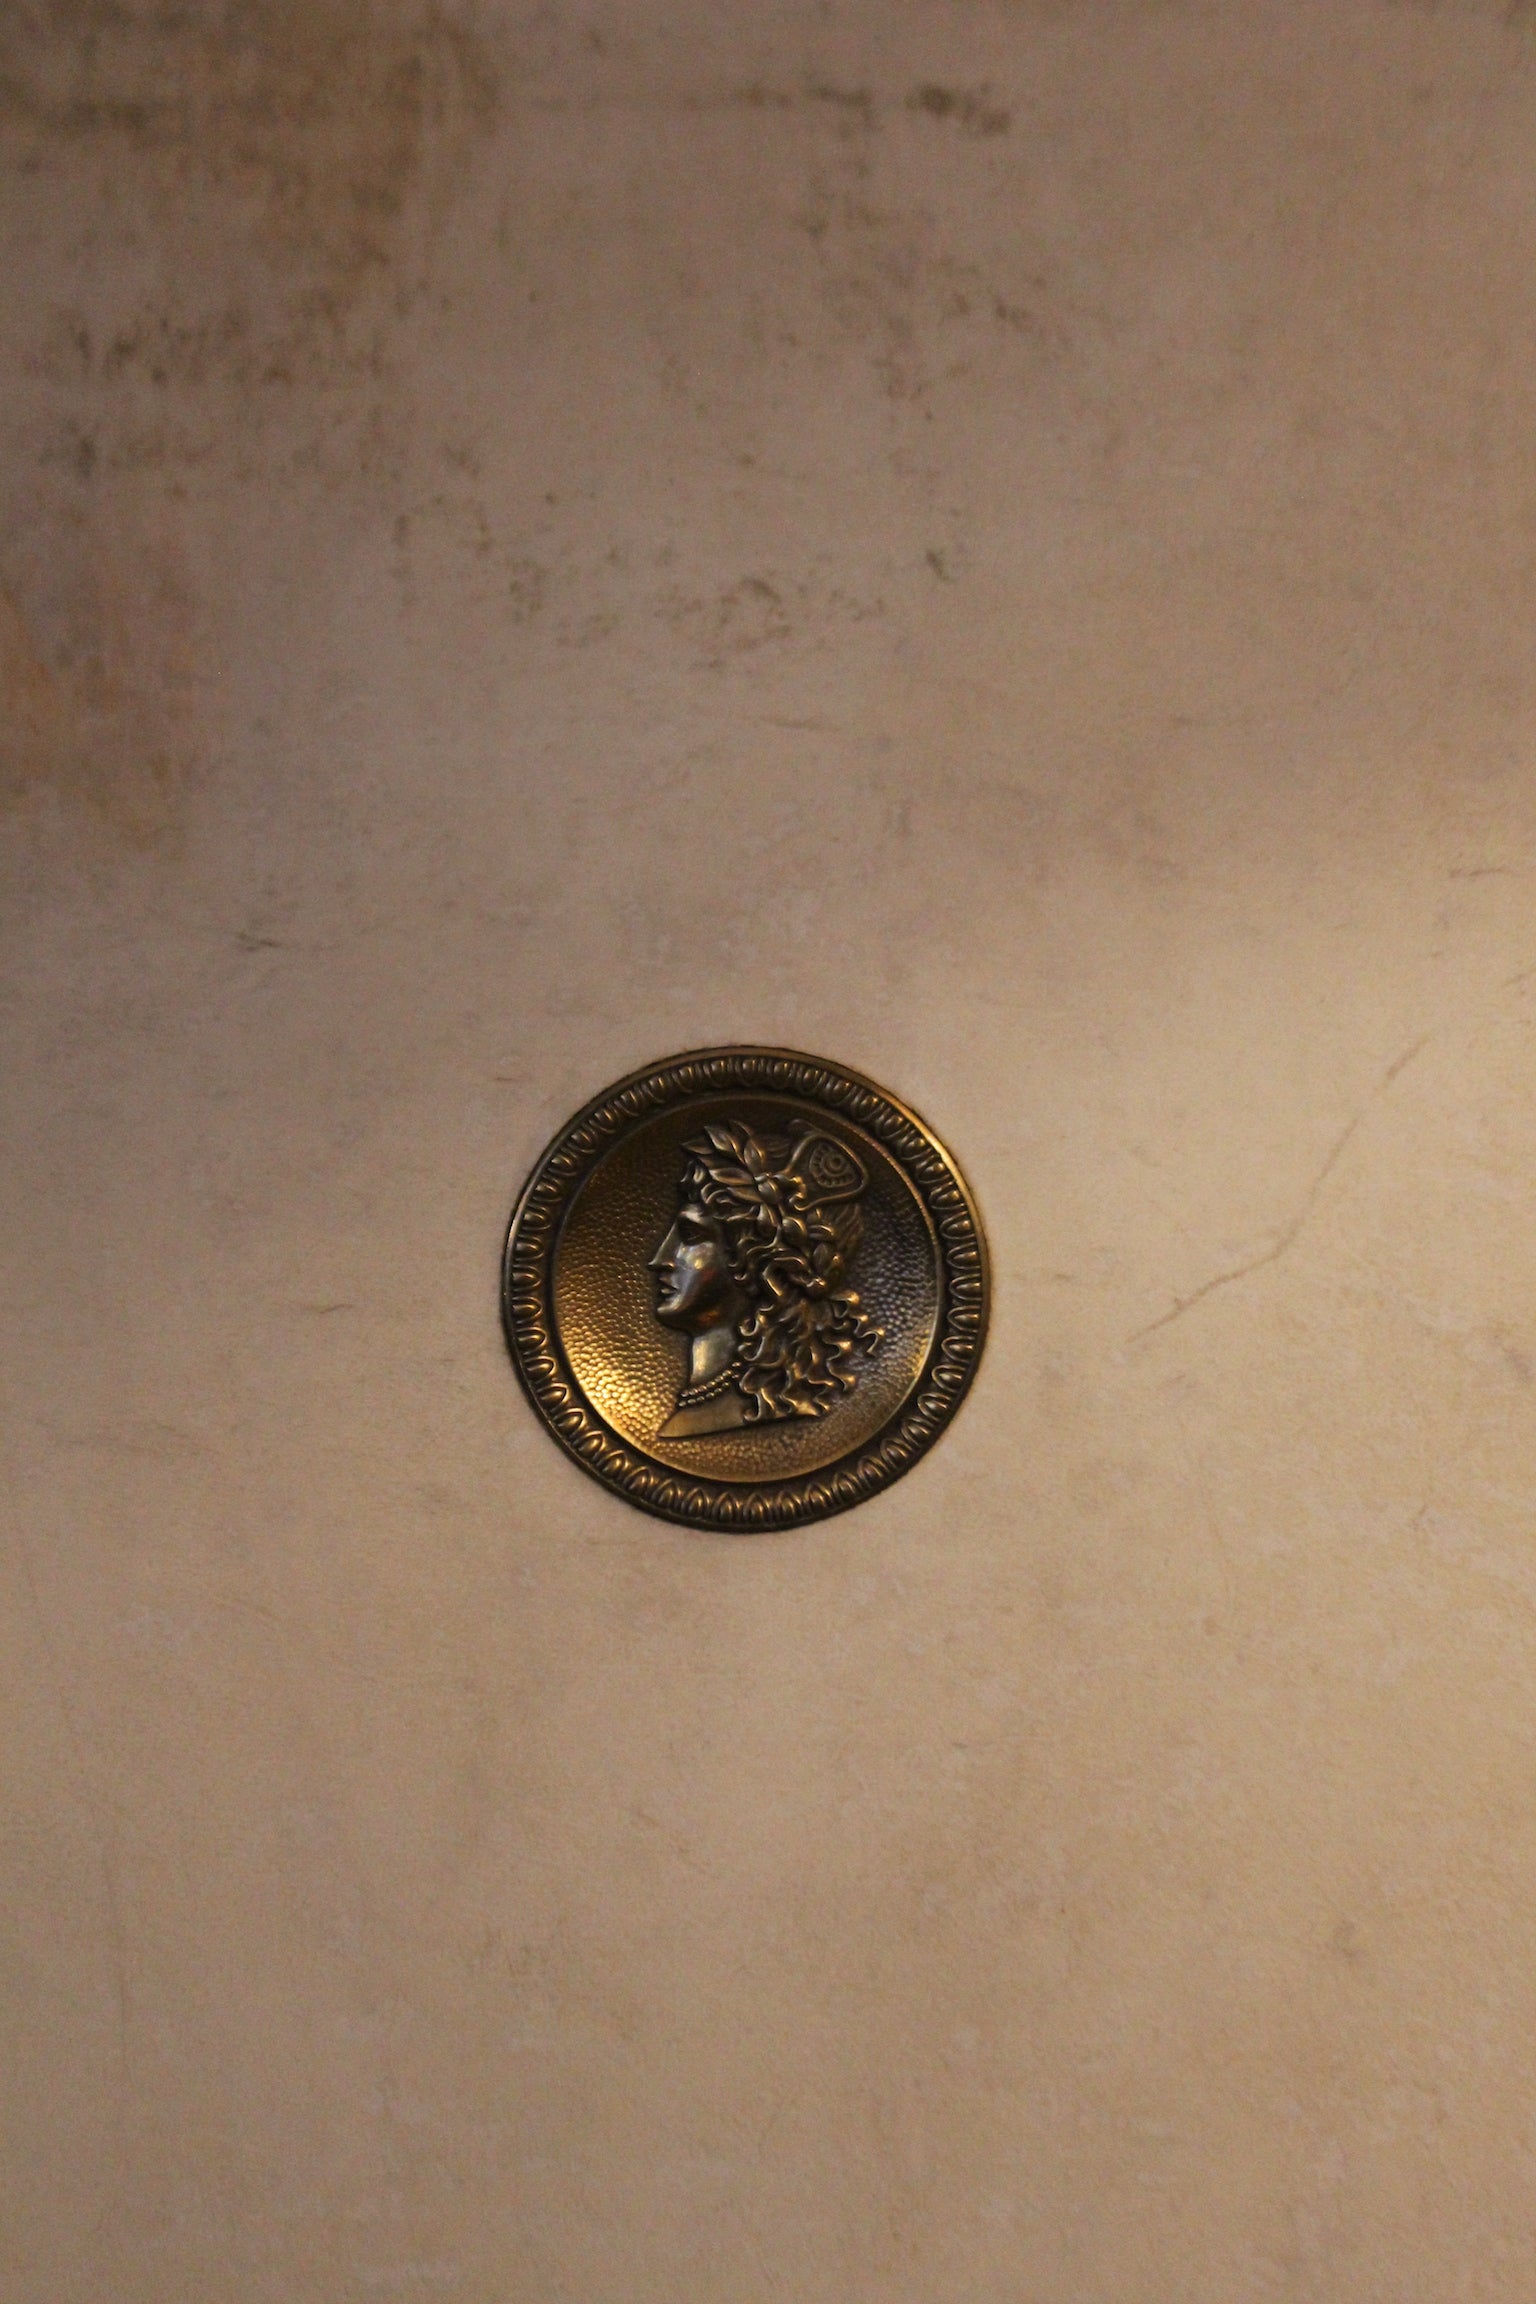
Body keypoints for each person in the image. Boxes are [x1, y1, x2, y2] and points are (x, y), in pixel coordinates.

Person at [649, 1120, 884, 1439]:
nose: (660, 1260)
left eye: (691, 1236)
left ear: (757, 1258)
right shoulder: (705, 1408)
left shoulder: (763, 1415)